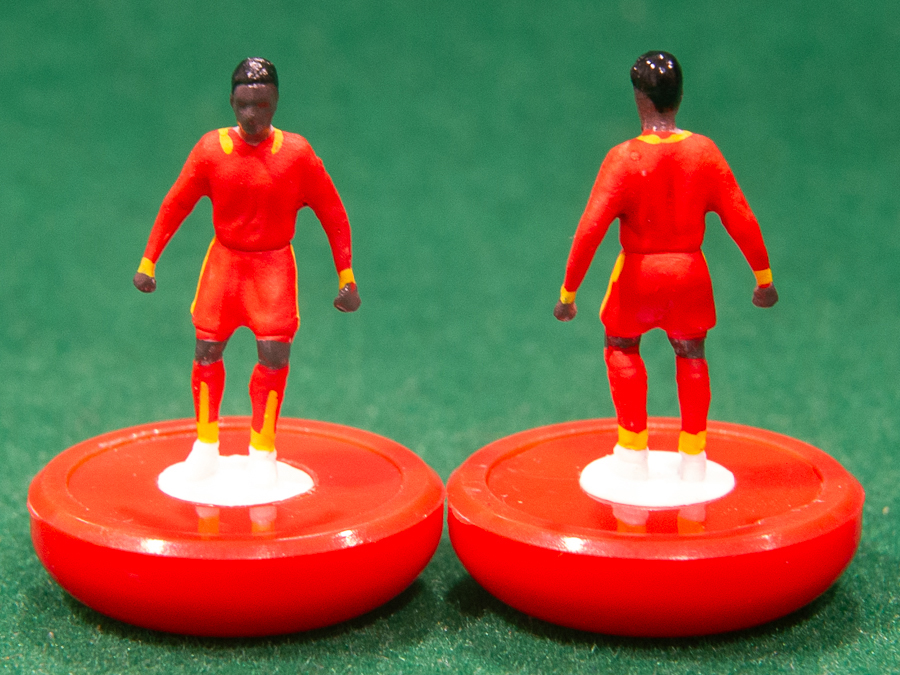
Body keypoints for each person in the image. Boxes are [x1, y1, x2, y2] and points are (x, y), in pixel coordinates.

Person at [134, 58, 360, 487]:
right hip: (225, 265)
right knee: (206, 351)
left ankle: (262, 449)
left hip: (273, 268)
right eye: (244, 105)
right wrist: (149, 260)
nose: (252, 115)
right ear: (232, 103)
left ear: (275, 103)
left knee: (274, 356)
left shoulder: (296, 154)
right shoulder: (211, 150)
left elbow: (333, 211)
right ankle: (205, 446)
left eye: (262, 105)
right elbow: (176, 203)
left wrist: (345, 275)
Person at [554, 51, 777, 482]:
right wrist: (762, 278)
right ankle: (693, 456)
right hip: (689, 276)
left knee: (621, 346)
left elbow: (590, 228)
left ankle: (632, 451)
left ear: (639, 97)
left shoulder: (623, 158)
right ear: (680, 96)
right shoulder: (704, 153)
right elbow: (741, 217)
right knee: (692, 355)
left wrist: (569, 293)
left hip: (638, 279)